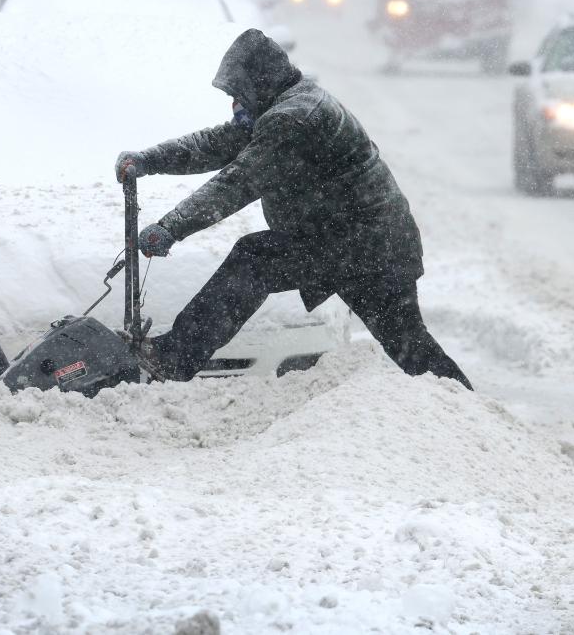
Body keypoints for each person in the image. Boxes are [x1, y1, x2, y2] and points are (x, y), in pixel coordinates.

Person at [115, 28, 473, 390]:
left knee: (254, 258)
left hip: (362, 243)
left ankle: (176, 356)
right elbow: (218, 143)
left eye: (238, 93)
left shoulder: (294, 118)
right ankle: (462, 406)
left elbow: (238, 183)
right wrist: (150, 160)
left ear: (258, 82)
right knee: (407, 342)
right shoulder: (283, 106)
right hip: (365, 242)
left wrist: (171, 227)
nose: (235, 103)